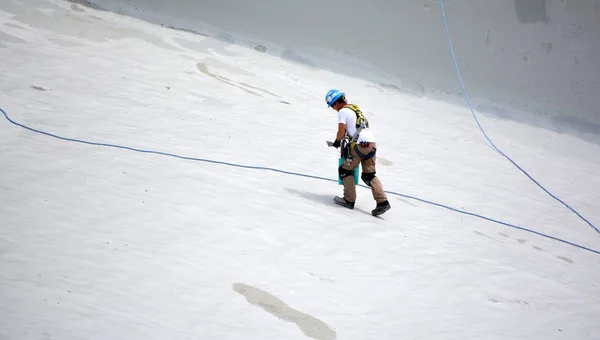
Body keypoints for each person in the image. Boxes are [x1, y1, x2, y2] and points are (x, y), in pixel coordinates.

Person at [325, 89, 391, 216]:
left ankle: (349, 200)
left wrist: (337, 142)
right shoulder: (355, 109)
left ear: (336, 103)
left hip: (361, 145)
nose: (333, 109)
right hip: (371, 145)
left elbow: (340, 132)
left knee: (344, 170)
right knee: (369, 175)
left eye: (332, 105)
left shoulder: (343, 111)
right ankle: (383, 202)